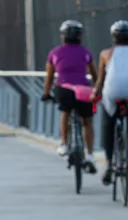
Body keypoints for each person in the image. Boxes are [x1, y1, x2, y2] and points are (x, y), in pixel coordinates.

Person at [92, 20, 128, 186]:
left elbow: (101, 80)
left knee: (108, 121)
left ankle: (109, 162)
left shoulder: (105, 54)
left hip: (113, 92)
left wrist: (95, 93)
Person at [42, 19, 98, 174]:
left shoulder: (54, 53)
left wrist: (46, 93)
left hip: (64, 89)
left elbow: (49, 77)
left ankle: (64, 144)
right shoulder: (86, 53)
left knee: (65, 112)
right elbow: (94, 75)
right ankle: (91, 155)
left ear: (63, 37)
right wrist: (96, 90)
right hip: (83, 90)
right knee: (87, 120)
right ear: (80, 37)